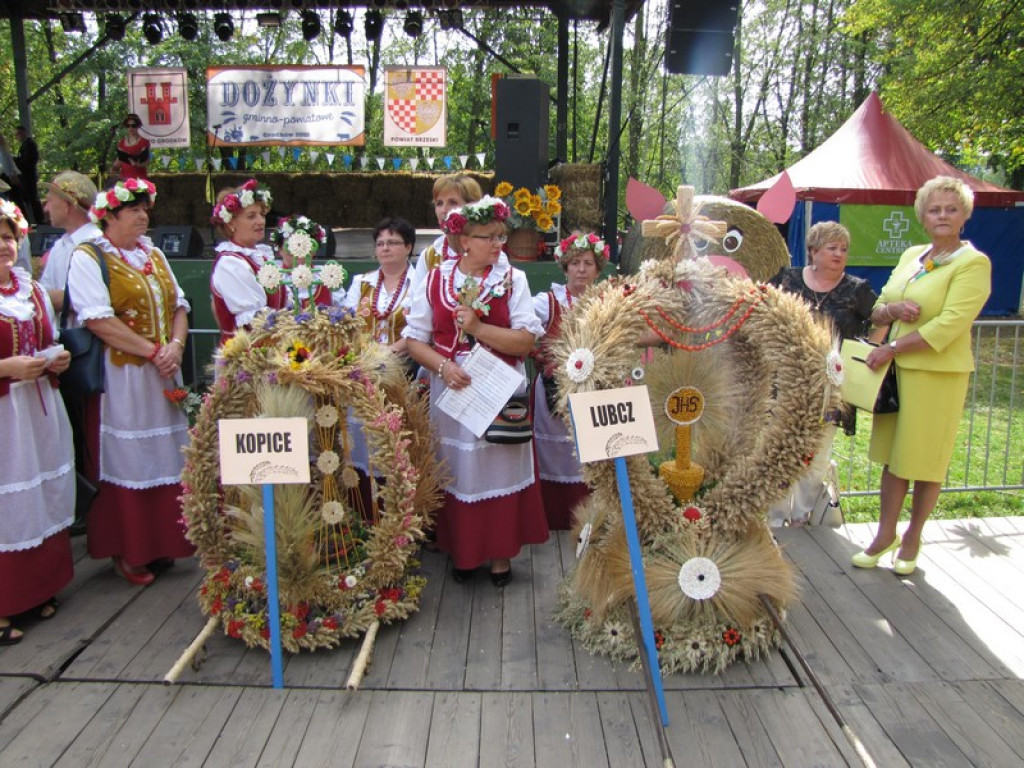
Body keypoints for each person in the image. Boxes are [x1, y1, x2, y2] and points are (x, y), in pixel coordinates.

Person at [403, 196, 548, 586]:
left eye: (501, 236)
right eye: (489, 237)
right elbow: (415, 339)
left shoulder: (511, 279)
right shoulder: (435, 278)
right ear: (464, 240)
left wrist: (480, 330)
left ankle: (500, 556)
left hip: (497, 389)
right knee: (458, 472)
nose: (499, 244)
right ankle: (464, 553)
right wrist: (443, 366)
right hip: (450, 391)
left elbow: (525, 342)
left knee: (497, 466)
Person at [854, 176, 991, 575]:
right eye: (935, 209)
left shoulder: (972, 263)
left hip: (936, 376)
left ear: (964, 215)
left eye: (951, 208)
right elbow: (879, 305)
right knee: (893, 458)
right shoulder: (913, 254)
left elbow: (949, 324)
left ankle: (913, 535)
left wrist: (892, 348)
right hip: (895, 373)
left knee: (926, 461)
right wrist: (892, 313)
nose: (943, 215)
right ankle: (885, 534)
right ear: (922, 215)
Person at [66, 179, 194, 585]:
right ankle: (130, 550)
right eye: (134, 210)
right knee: (128, 459)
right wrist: (152, 350)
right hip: (124, 376)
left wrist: (175, 345)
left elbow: (179, 306)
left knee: (167, 454)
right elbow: (100, 321)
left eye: (145, 210)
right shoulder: (89, 257)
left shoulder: (153, 254)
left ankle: (165, 542)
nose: (143, 216)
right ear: (110, 215)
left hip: (163, 371)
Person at [768, 221, 876, 526]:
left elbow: (881, 317)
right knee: (780, 446)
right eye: (832, 248)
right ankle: (775, 515)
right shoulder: (787, 279)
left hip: (831, 386)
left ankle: (803, 514)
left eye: (844, 249)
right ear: (813, 251)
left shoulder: (857, 289)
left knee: (817, 451)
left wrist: (872, 351)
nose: (839, 254)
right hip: (786, 380)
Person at [0, 201, 74, 645]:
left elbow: (46, 340)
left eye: (8, 237)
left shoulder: (30, 289)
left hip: (38, 407)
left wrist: (55, 357)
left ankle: (39, 586)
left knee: (42, 490)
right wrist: (7, 368)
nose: (4, 246)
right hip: (5, 414)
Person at [532, 232, 608, 530]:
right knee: (555, 451)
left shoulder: (608, 303)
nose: (581, 269)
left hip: (595, 391)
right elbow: (522, 330)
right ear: (564, 268)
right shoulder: (546, 303)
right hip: (553, 390)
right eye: (574, 263)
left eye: (588, 263)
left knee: (591, 452)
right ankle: (553, 514)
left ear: (598, 269)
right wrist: (538, 354)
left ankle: (592, 516)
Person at [210, 179, 285, 344]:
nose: (261, 221)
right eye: (251, 216)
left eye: (262, 215)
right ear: (231, 223)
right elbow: (255, 320)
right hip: (245, 356)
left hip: (271, 351)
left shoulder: (262, 258)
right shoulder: (230, 263)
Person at [345, 217, 417, 358]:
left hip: (407, 365)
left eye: (392, 243)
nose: (385, 248)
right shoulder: (361, 282)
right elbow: (347, 323)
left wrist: (387, 354)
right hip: (362, 362)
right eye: (380, 244)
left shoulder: (420, 284)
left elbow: (421, 329)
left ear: (408, 247)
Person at [38, 171, 101, 312]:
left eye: (49, 201)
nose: (46, 208)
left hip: (92, 333)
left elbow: (87, 299)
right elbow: (46, 291)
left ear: (67, 205)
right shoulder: (60, 245)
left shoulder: (98, 243)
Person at [410, 173, 483, 286]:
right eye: (439, 203)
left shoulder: (486, 250)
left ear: (472, 206)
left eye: (452, 202)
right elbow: (413, 300)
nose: (444, 210)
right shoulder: (430, 255)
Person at [14, 126, 42, 225]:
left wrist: (15, 160)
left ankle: (38, 221)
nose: (17, 137)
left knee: (32, 199)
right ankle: (35, 221)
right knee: (29, 199)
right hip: (26, 177)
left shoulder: (29, 144)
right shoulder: (27, 144)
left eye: (17, 134)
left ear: (23, 132)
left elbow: (28, 162)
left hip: (28, 177)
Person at [111, 114, 150, 181]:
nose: (131, 128)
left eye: (133, 126)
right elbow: (120, 160)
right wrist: (114, 168)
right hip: (124, 178)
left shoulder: (144, 142)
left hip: (139, 179)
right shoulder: (122, 143)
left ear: (138, 126)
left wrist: (137, 164)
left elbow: (146, 161)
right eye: (128, 126)